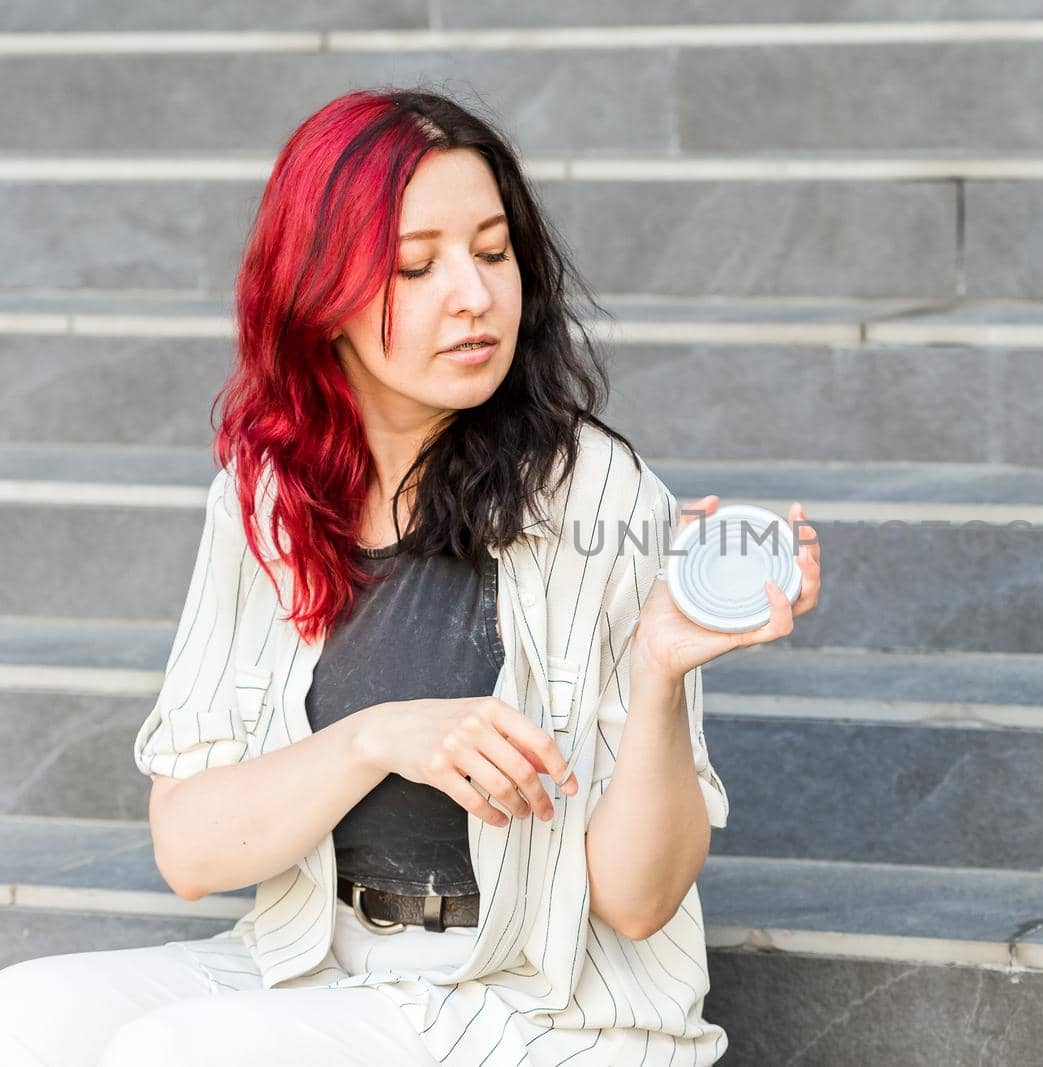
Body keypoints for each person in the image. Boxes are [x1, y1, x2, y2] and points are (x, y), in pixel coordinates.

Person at [0, 87, 821, 1066]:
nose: (472, 295)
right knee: (25, 1015)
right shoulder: (265, 494)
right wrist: (379, 738)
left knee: (177, 1050)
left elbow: (637, 901)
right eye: (415, 266)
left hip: (538, 999)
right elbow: (191, 850)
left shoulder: (597, 493)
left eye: (493, 249)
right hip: (312, 957)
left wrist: (658, 673)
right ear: (320, 293)